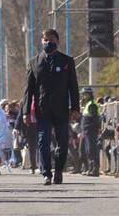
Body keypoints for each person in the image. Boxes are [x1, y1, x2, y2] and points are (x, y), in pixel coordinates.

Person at [22, 28, 80, 185]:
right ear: (41, 42)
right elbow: (28, 90)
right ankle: (46, 172)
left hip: (61, 110)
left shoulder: (67, 61)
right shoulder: (34, 62)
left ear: (58, 41)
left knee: (62, 142)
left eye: (52, 40)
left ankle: (59, 170)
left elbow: (73, 87)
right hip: (43, 109)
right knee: (43, 141)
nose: (48, 43)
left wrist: (75, 108)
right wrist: (26, 112)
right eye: (45, 40)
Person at [79, 87, 100, 176]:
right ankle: (90, 168)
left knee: (91, 149)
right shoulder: (87, 104)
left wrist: (96, 128)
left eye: (85, 94)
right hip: (86, 130)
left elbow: (94, 118)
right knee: (86, 150)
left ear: (89, 95)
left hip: (90, 130)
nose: (83, 96)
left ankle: (95, 169)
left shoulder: (92, 105)